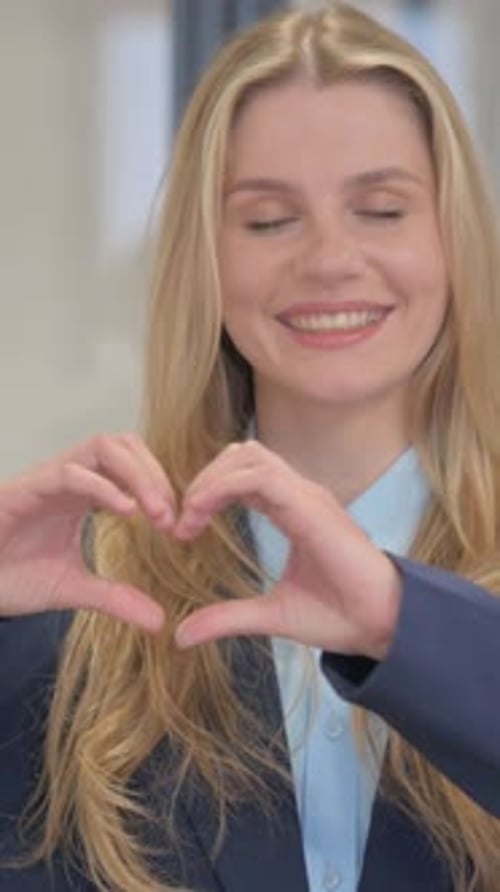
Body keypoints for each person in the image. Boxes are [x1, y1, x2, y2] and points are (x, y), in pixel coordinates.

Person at [1, 2, 500, 890]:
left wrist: (402, 623)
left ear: (451, 238)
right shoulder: (78, 609)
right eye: (269, 222)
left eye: (381, 210)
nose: (330, 259)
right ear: (207, 259)